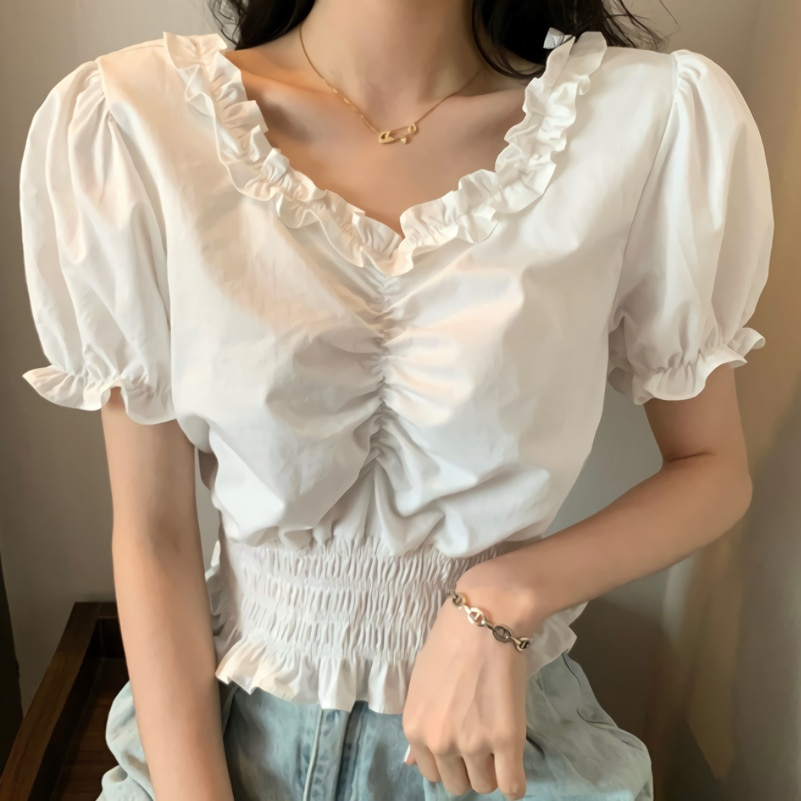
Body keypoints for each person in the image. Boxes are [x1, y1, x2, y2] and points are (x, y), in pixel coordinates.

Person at [18, 0, 773, 798]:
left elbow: (711, 466)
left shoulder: (644, 124)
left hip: (494, 741)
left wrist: (504, 593)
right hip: (219, 728)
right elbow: (154, 531)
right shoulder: (135, 121)